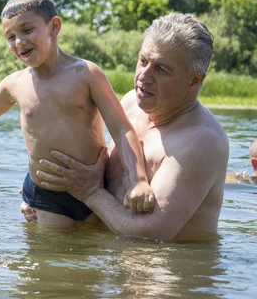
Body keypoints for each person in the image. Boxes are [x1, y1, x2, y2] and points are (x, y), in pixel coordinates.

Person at [22, 13, 230, 240]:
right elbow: (102, 184)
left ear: (194, 80)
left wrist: (88, 192)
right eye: (143, 61)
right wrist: (48, 203)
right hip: (111, 256)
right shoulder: (132, 103)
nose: (144, 76)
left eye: (162, 69)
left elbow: (150, 232)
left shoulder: (202, 141)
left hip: (169, 268)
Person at [0, 0, 155, 228]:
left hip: (93, 184)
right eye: (10, 36)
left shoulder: (85, 74)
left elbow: (121, 129)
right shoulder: (16, 83)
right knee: (50, 258)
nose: (19, 42)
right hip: (48, 193)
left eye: (27, 30)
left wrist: (139, 181)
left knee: (93, 254)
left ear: (54, 27)